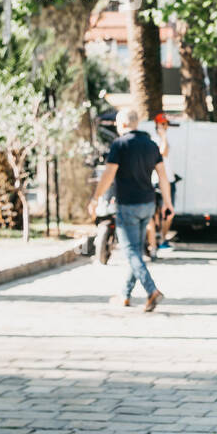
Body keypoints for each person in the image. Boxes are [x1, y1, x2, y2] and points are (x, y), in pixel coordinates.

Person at [88, 107, 173, 311]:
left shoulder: (120, 144)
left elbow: (109, 174)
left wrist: (95, 197)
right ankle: (125, 295)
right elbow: (162, 176)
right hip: (148, 205)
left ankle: (151, 290)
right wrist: (168, 203)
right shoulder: (151, 145)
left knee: (130, 252)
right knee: (135, 251)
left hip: (128, 205)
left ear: (123, 124)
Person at [148, 113, 174, 254]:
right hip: (157, 181)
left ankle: (162, 239)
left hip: (169, 179)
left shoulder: (166, 139)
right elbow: (163, 153)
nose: (165, 126)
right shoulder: (155, 140)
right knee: (156, 213)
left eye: (166, 124)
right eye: (162, 124)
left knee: (168, 212)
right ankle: (154, 242)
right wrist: (163, 136)